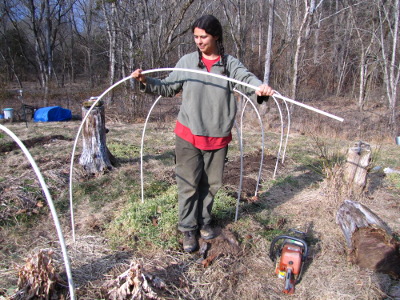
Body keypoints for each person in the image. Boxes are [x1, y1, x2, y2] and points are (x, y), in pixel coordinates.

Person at [131, 15, 274, 253]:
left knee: (211, 184)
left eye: (203, 36)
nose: (199, 41)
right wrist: (146, 81)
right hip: (188, 133)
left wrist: (261, 89)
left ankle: (205, 222)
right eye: (196, 37)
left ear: (216, 36)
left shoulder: (229, 65)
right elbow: (167, 87)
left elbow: (247, 81)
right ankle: (188, 228)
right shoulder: (187, 62)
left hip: (218, 136)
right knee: (188, 184)